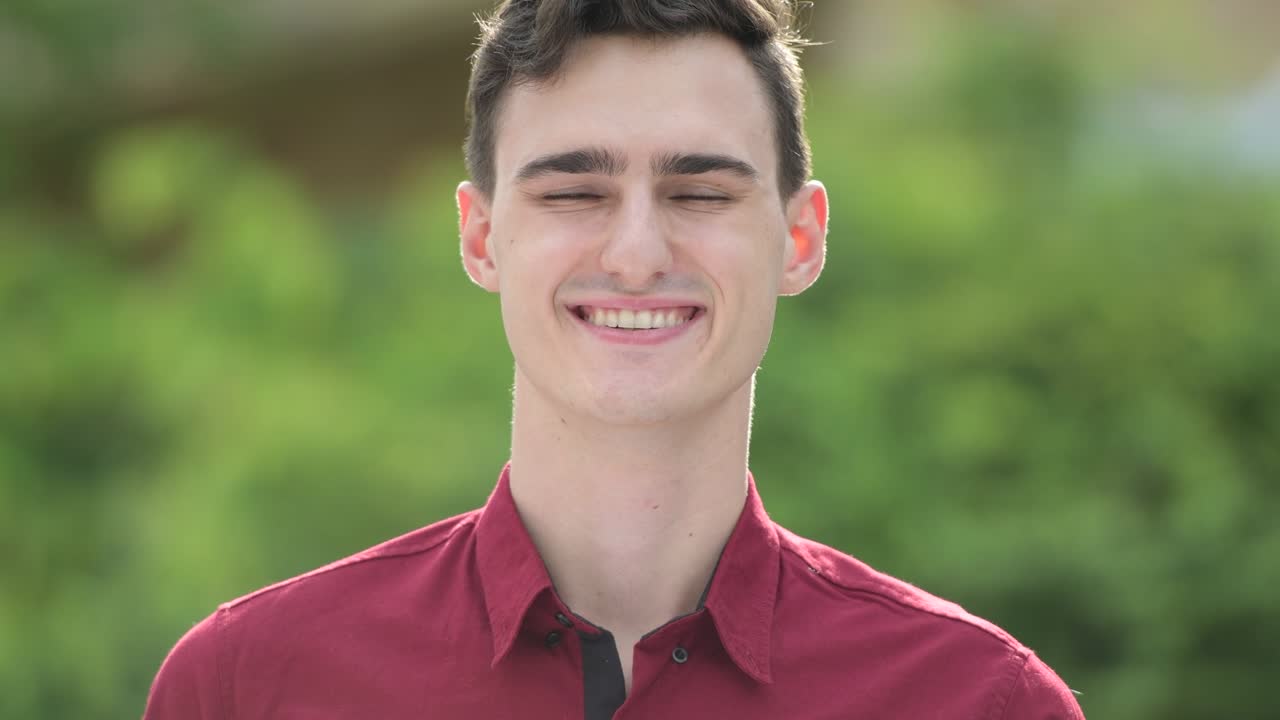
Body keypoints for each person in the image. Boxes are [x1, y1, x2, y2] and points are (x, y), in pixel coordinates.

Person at [144, 1, 1086, 718]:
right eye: (574, 194)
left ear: (800, 239)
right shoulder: (246, 687)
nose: (637, 254)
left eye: (700, 192)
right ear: (480, 238)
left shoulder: (980, 702)